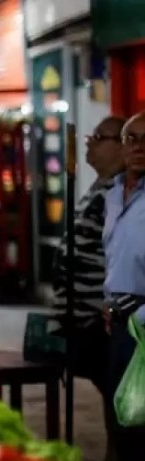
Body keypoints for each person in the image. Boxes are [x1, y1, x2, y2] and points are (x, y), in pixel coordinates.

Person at [50, 116, 125, 461]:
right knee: (110, 397)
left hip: (101, 318)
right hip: (81, 318)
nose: (89, 143)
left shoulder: (123, 191)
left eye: (99, 137)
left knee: (120, 400)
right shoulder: (102, 186)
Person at [102, 110, 145, 461]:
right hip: (117, 325)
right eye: (132, 139)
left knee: (141, 424)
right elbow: (116, 255)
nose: (139, 147)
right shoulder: (115, 193)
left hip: (143, 323)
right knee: (121, 418)